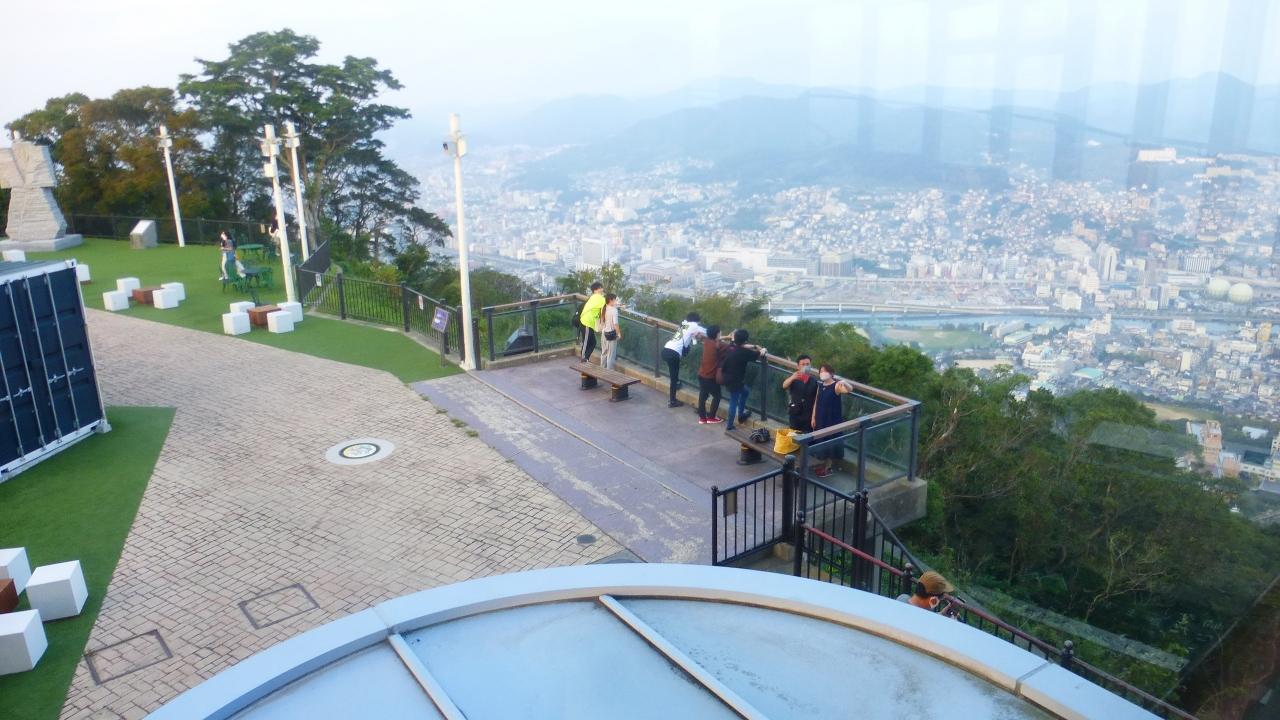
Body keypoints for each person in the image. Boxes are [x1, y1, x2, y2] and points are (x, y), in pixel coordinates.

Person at [810, 363, 854, 478]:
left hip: (832, 419)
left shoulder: (836, 386)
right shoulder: (820, 385)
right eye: (821, 371)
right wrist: (813, 417)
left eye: (825, 371)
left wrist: (844, 382)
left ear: (831, 373)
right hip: (820, 418)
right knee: (821, 440)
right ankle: (822, 464)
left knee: (830, 442)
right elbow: (816, 402)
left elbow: (849, 390)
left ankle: (828, 468)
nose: (822, 373)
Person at [721, 329, 767, 430]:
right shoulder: (744, 352)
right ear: (745, 340)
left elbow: (741, 346)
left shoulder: (731, 346)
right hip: (735, 380)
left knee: (745, 392)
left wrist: (754, 346)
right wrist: (762, 350)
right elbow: (760, 354)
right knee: (733, 401)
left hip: (726, 376)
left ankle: (741, 415)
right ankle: (730, 425)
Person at [660, 312, 706, 408]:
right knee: (673, 377)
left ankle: (676, 385)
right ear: (696, 320)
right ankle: (672, 401)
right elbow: (708, 332)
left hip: (666, 349)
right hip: (673, 353)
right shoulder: (693, 325)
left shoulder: (684, 324)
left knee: (674, 375)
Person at [782, 354, 818, 433]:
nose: (806, 366)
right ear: (798, 366)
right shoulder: (794, 377)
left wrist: (814, 416)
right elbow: (784, 385)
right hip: (795, 414)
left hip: (808, 416)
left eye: (808, 364)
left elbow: (816, 400)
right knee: (793, 436)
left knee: (806, 437)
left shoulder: (814, 381)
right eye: (803, 364)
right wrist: (792, 377)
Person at [696, 325, 725, 424]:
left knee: (703, 395)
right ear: (717, 334)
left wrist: (727, 337)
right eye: (720, 332)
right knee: (717, 396)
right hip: (710, 377)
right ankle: (711, 417)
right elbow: (733, 347)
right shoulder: (719, 346)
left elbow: (715, 339)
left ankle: (702, 418)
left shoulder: (706, 341)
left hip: (701, 374)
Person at [579, 281, 606, 362]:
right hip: (587, 322)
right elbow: (607, 305)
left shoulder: (593, 296)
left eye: (601, 288)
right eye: (600, 288)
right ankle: (583, 359)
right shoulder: (600, 298)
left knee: (593, 342)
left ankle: (585, 358)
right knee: (586, 342)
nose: (602, 289)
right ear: (595, 290)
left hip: (585, 321)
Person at [599, 294, 622, 369]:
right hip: (611, 335)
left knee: (604, 353)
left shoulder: (604, 307)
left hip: (604, 333)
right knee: (611, 356)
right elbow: (615, 324)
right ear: (611, 300)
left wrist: (620, 306)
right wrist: (619, 334)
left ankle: (602, 369)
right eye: (615, 300)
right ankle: (609, 373)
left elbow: (602, 321)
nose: (616, 301)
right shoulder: (614, 310)